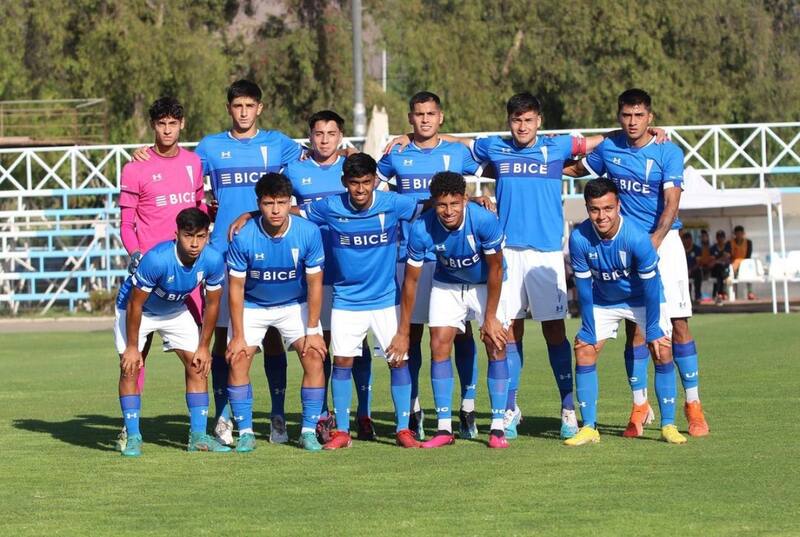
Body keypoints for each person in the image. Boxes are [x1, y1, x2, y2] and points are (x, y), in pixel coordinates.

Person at [565, 88, 709, 437]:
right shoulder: (610, 147)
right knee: (635, 327)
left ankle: (693, 404)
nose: (632, 122)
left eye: (639, 115)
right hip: (626, 243)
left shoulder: (667, 151)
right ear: (619, 117)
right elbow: (574, 169)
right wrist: (534, 161)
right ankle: (639, 406)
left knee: (677, 325)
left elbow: (672, 201)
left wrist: (656, 238)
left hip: (663, 241)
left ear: (650, 117)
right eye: (626, 115)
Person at [377, 91, 491, 440]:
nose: (424, 119)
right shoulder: (396, 153)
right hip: (408, 256)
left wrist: (481, 198)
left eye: (431, 114)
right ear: (410, 118)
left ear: (440, 116)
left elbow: (494, 162)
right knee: (410, 336)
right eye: (418, 114)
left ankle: (467, 407)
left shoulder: (456, 152)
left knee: (460, 334)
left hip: (449, 258)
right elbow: (367, 186)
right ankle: (414, 409)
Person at [300, 153, 423, 450]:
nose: (360, 189)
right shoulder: (330, 206)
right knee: (342, 362)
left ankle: (403, 429)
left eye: (366, 182)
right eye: (354, 183)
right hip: (346, 300)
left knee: (398, 361)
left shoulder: (393, 203)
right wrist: (249, 215)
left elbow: (430, 206)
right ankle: (343, 431)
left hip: (386, 299)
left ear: (374, 181)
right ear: (344, 182)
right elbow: (289, 212)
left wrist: (473, 202)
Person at [387, 171, 511, 449]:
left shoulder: (484, 220)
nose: (448, 211)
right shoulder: (421, 228)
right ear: (434, 203)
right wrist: (403, 331)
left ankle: (498, 427)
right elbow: (410, 282)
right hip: (448, 283)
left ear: (465, 200)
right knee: (438, 344)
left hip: (486, 284)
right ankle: (444, 428)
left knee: (496, 343)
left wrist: (490, 317)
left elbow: (496, 268)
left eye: (454, 203)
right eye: (442, 204)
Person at [565, 178, 687, 446]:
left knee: (661, 348)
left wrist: (652, 327)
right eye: (595, 209)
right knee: (584, 348)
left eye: (608, 208)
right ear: (587, 209)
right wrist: (588, 328)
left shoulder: (637, 237)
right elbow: (583, 288)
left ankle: (668, 425)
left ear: (618, 206)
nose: (602, 216)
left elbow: (652, 286)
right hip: (604, 300)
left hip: (642, 298)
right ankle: (589, 427)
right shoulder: (579, 238)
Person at [115, 96, 207, 451]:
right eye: (161, 124)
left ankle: (203, 430)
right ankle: (130, 430)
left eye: (173, 123)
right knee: (134, 360)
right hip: (149, 275)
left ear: (182, 124)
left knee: (199, 356)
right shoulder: (135, 167)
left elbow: (200, 211)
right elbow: (126, 224)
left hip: (187, 277)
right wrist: (137, 255)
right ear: (153, 126)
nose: (167, 130)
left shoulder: (193, 163)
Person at [283, 110, 375, 443]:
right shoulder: (295, 169)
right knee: (318, 344)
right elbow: (280, 205)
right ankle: (323, 415)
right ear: (309, 136)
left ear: (341, 136)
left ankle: (364, 413)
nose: (324, 140)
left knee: (355, 345)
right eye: (318, 133)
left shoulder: (352, 167)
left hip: (348, 269)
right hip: (311, 272)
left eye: (331, 133)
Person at [224, 173, 327, 452]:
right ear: (259, 204)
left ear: (290, 202)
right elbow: (236, 288)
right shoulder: (243, 236)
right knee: (238, 358)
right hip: (253, 305)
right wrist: (238, 335)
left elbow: (315, 284)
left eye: (281, 202)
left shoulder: (308, 232)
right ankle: (246, 432)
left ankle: (308, 432)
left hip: (294, 304)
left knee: (314, 355)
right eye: (268, 203)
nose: (276, 210)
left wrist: (313, 330)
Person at [114, 208, 228, 457]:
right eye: (188, 236)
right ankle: (132, 436)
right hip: (137, 310)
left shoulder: (213, 260)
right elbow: (135, 304)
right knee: (130, 367)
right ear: (176, 235)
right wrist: (132, 347)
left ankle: (198, 437)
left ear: (207, 236)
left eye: (201, 236)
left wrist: (204, 347)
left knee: (198, 365)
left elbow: (213, 304)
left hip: (174, 310)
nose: (195, 243)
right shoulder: (157, 259)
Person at [726, 225, 755, 300]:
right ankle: (727, 293)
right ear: (734, 234)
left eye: (740, 233)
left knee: (749, 272)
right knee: (727, 273)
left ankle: (750, 292)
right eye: (737, 233)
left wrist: (742, 264)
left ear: (743, 233)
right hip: (733, 264)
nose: (739, 235)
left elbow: (748, 255)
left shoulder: (748, 242)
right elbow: (728, 255)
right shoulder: (729, 243)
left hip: (745, 264)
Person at [710, 230, 730, 302]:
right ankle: (721, 293)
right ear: (716, 238)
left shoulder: (727, 246)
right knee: (719, 270)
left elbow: (726, 258)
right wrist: (720, 260)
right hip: (715, 270)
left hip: (725, 269)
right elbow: (712, 261)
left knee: (722, 272)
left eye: (722, 237)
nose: (720, 239)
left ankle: (718, 293)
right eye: (718, 237)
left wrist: (717, 260)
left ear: (724, 238)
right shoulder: (713, 248)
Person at [682, 232, 702, 302]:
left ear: (691, 240)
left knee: (698, 273)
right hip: (683, 271)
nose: (687, 243)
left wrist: (690, 270)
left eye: (688, 241)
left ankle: (698, 296)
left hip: (693, 270)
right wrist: (685, 270)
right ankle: (686, 298)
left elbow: (698, 263)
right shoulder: (680, 249)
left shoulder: (697, 249)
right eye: (685, 241)